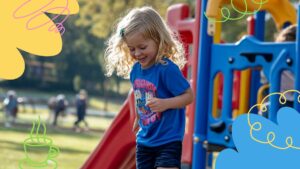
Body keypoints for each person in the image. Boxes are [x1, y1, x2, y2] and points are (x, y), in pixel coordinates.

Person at [105, 7, 194, 169]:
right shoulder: (136, 71)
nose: (137, 53)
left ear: (158, 40)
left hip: (168, 139)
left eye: (142, 47)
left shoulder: (167, 69)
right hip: (145, 141)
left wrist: (165, 104)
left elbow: (188, 96)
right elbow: (142, 97)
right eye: (132, 49)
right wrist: (140, 118)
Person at [260, 24, 296, 109]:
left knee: (267, 109)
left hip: (286, 101)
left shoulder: (276, 60)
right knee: (267, 109)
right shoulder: (276, 62)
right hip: (283, 101)